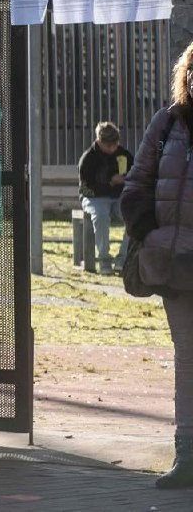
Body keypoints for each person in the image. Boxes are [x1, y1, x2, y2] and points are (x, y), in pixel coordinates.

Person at [121, 41, 193, 489]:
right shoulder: (167, 122)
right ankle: (187, 455)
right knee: (187, 358)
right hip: (173, 264)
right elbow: (137, 183)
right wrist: (149, 232)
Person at [78, 121, 133, 275]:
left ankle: (123, 259)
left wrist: (127, 179)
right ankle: (104, 260)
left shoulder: (124, 154)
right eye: (109, 145)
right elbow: (86, 187)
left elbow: (135, 172)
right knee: (101, 217)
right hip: (94, 197)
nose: (113, 148)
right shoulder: (88, 158)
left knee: (134, 216)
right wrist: (110, 182)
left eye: (115, 144)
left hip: (118, 197)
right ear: (99, 141)